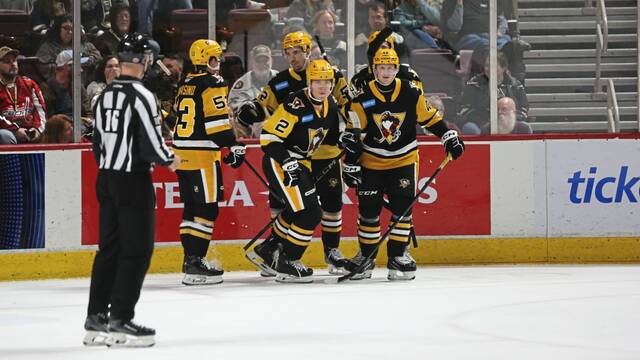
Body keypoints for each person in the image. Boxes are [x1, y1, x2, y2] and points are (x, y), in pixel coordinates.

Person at [84, 33, 180, 348]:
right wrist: (171, 159)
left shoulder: (105, 94)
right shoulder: (142, 95)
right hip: (133, 181)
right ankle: (121, 318)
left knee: (108, 249)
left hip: (107, 178)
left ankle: (96, 315)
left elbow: (97, 143)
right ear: (141, 61)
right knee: (137, 251)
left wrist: (111, 166)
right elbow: (152, 144)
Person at [343, 48, 465, 280]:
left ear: (397, 69)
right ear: (375, 70)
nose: (386, 72)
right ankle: (366, 257)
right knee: (368, 211)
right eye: (382, 68)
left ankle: (398, 256)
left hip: (404, 159)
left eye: (390, 68)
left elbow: (431, 119)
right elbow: (354, 133)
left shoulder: (410, 93)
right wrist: (350, 162)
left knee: (402, 210)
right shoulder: (362, 97)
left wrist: (448, 136)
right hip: (372, 161)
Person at [238, 31, 350, 276]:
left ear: (309, 51)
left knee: (328, 204)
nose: (292, 58)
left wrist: (349, 140)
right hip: (289, 155)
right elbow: (263, 110)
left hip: (323, 154)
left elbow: (348, 107)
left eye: (297, 52)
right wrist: (250, 112)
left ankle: (329, 251)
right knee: (293, 208)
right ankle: (277, 253)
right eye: (288, 53)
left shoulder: (331, 77)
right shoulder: (281, 84)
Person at [255, 59, 341, 283]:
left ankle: (268, 248)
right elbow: (269, 137)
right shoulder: (296, 102)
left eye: (327, 81)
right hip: (280, 162)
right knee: (310, 213)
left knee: (296, 210)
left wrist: (346, 141)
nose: (323, 86)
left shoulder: (330, 104)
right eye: (318, 81)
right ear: (310, 82)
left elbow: (329, 137)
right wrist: (287, 162)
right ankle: (288, 262)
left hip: (302, 163)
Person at [172, 39, 246, 286]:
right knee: (207, 209)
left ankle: (189, 260)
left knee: (192, 209)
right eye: (218, 58)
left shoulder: (185, 83)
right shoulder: (213, 83)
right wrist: (234, 145)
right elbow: (217, 126)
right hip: (202, 155)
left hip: (182, 154)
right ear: (211, 60)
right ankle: (196, 263)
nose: (220, 63)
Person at [459, 52, 528, 134]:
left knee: (524, 128)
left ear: (504, 68)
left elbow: (524, 108)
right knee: (469, 128)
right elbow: (464, 109)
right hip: (481, 123)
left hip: (509, 124)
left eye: (493, 66)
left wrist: (509, 119)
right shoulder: (474, 83)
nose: (489, 69)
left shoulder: (515, 85)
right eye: (487, 65)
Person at [350, 29, 423, 98]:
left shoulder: (408, 75)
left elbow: (417, 101)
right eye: (375, 48)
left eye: (383, 47)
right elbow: (353, 106)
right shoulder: (359, 78)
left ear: (392, 49)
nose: (379, 51)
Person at [35, 15, 102, 85]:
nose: (70, 32)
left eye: (72, 29)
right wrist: (66, 67)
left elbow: (99, 58)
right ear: (57, 28)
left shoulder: (84, 45)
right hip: (59, 87)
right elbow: (42, 67)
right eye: (66, 28)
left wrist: (92, 59)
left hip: (85, 85)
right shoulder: (47, 47)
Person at [228, 44, 278, 138]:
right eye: (259, 60)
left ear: (272, 60)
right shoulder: (241, 85)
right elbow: (234, 113)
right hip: (251, 131)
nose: (262, 64)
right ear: (252, 62)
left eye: (265, 60)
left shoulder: (281, 79)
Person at [0, 46, 47, 145]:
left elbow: (40, 110)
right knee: (4, 136)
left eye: (14, 60)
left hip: (31, 130)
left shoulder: (29, 84)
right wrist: (15, 130)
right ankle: (15, 161)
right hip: (9, 131)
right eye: (7, 61)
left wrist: (37, 129)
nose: (12, 64)